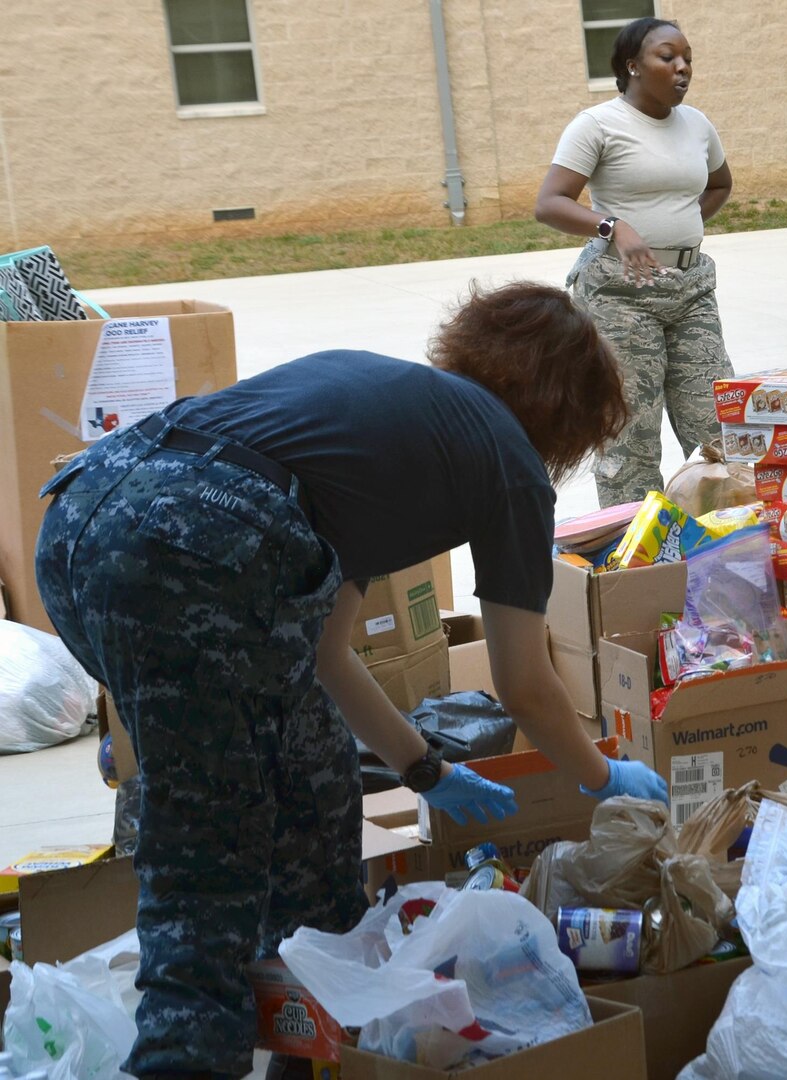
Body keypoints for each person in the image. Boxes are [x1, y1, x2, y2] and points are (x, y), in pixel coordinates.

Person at [34, 281, 670, 1080]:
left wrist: (424, 769)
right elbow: (525, 681)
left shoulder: (387, 421)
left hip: (80, 522)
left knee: (311, 777)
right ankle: (179, 1063)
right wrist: (601, 775)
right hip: (192, 549)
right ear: (566, 412)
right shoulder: (504, 460)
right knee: (212, 853)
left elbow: (328, 657)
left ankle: (322, 1045)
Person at [534, 17, 734, 508]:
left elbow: (719, 184)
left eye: (688, 58)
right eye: (668, 57)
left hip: (690, 290)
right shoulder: (598, 124)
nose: (683, 67)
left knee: (719, 427)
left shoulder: (697, 124)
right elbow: (550, 202)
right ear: (633, 66)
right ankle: (641, 565)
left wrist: (681, 229)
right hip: (621, 295)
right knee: (630, 434)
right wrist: (614, 227)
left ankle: (722, 547)